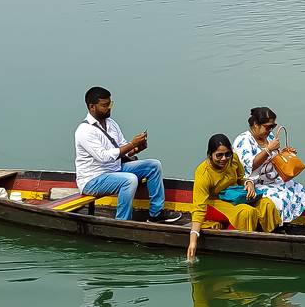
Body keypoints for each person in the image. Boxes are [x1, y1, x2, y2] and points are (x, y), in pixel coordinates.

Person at [74, 86, 183, 223]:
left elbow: (121, 148)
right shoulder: (85, 131)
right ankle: (122, 222)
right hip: (93, 180)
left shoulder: (111, 124)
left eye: (110, 104)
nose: (109, 108)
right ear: (92, 107)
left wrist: (137, 148)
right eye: (105, 105)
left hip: (114, 170)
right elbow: (104, 157)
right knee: (129, 179)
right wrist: (132, 144)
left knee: (154, 165)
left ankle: (156, 214)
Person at [187, 134, 281, 261]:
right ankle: (244, 245)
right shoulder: (203, 173)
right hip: (213, 203)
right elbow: (198, 208)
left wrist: (249, 183)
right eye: (219, 155)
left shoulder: (233, 159)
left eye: (227, 154)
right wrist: (193, 241)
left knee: (267, 204)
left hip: (234, 195)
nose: (224, 159)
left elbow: (242, 178)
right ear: (210, 155)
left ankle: (271, 240)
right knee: (246, 212)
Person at [232, 106, 305, 227]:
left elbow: (274, 157)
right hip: (253, 184)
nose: (270, 130)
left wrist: (286, 153)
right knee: (278, 200)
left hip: (272, 180)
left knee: (299, 189)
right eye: (267, 127)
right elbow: (249, 165)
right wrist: (268, 149)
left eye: (273, 126)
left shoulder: (269, 137)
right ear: (255, 124)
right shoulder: (243, 140)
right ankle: (275, 226)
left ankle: (285, 222)